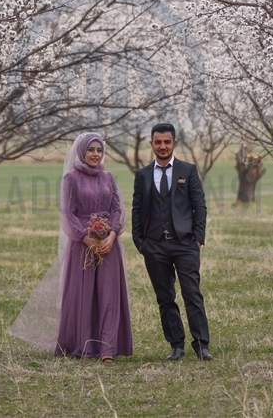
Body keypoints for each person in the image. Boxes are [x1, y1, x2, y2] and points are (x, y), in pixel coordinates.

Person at [132, 123, 212, 361]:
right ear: (152, 144)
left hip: (185, 244)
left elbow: (200, 207)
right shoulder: (142, 175)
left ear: (174, 143)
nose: (163, 146)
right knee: (165, 297)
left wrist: (198, 239)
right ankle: (176, 345)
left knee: (192, 294)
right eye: (158, 142)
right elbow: (137, 209)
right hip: (154, 246)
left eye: (167, 142)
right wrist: (139, 242)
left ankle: (201, 345)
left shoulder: (188, 171)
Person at [55, 132, 133, 361]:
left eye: (99, 150)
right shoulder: (70, 178)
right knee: (85, 295)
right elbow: (67, 213)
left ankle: (107, 349)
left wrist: (111, 235)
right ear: (82, 151)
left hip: (108, 245)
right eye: (91, 150)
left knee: (109, 294)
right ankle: (86, 346)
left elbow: (117, 209)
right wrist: (86, 238)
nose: (95, 155)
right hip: (82, 246)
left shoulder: (109, 178)